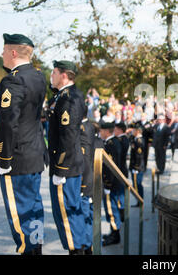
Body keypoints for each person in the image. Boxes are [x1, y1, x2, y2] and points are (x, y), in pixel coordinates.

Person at [0, 33, 47, 255]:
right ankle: (36, 249)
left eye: (5, 50)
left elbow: (8, 122)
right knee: (34, 211)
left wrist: (3, 158)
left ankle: (29, 251)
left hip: (17, 159)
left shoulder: (13, 80)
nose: (2, 54)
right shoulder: (38, 76)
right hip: (34, 155)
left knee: (20, 217)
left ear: (13, 52)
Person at [48, 60, 86, 255]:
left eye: (53, 73)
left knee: (67, 215)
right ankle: (81, 249)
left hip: (66, 166)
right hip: (69, 164)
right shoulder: (63, 96)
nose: (51, 76)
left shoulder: (68, 98)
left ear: (64, 75)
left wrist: (60, 169)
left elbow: (67, 136)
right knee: (71, 212)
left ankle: (77, 251)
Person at [100, 122, 123, 246]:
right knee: (112, 209)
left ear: (106, 131)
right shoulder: (113, 142)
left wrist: (108, 185)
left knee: (111, 209)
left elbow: (110, 168)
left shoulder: (110, 145)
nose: (100, 133)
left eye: (101, 131)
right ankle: (113, 231)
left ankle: (115, 235)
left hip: (111, 184)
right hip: (113, 183)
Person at [79, 109, 96, 255]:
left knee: (84, 217)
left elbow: (85, 160)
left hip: (86, 181)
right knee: (88, 216)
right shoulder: (90, 127)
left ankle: (85, 246)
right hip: (91, 181)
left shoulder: (83, 130)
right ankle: (88, 245)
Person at [129, 124, 145, 206]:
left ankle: (140, 201)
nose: (132, 131)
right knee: (136, 185)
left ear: (138, 131)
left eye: (134, 130)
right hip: (135, 166)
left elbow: (139, 156)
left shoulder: (139, 141)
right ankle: (139, 201)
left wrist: (136, 167)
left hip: (137, 167)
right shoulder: (135, 139)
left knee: (137, 185)